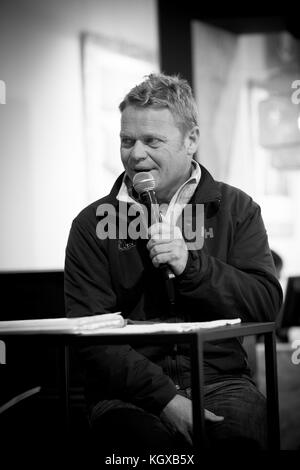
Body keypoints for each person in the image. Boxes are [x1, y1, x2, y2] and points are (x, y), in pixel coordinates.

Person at [64, 73, 282, 453]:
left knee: (236, 441)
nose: (136, 155)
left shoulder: (235, 209)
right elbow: (91, 338)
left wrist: (191, 265)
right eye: (127, 141)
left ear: (191, 140)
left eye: (152, 141)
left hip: (220, 382)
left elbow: (264, 304)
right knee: (143, 449)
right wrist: (167, 400)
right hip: (125, 394)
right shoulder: (93, 224)